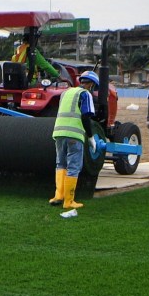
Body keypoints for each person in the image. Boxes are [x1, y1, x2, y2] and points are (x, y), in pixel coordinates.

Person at [50, 70, 99, 210]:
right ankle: (69, 201)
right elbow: (85, 117)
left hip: (59, 132)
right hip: (74, 134)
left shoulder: (66, 93)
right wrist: (91, 137)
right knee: (73, 166)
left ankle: (58, 195)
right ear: (91, 84)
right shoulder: (85, 94)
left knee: (61, 163)